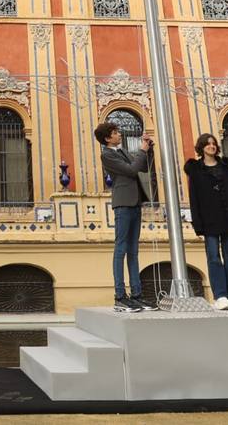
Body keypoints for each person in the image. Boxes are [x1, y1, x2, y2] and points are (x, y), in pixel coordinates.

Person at [183, 132, 228, 311]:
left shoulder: (226, 168)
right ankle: (220, 295)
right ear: (201, 147)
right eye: (207, 144)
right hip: (210, 220)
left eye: (213, 144)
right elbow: (194, 198)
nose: (211, 146)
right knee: (213, 258)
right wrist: (198, 223)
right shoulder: (196, 170)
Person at [94, 120, 154, 312]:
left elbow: (143, 167)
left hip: (135, 202)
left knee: (133, 250)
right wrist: (142, 151)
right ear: (107, 138)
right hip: (123, 204)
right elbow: (130, 170)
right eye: (115, 132)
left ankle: (137, 295)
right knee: (121, 249)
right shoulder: (107, 155)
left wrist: (148, 149)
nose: (119, 134)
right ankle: (120, 295)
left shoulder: (122, 152)